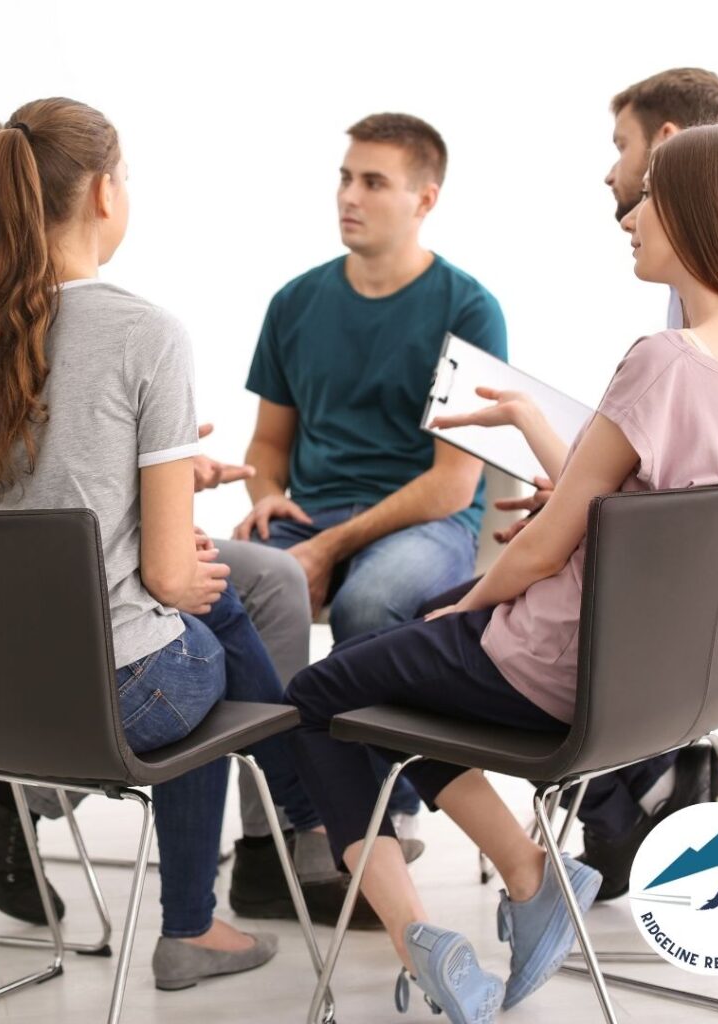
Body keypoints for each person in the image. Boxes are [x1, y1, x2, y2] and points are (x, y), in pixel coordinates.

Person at [284, 124, 718, 1023]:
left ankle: (448, 925)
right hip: (667, 678)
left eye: (650, 198)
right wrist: (532, 422)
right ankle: (531, 876)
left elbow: (542, 548)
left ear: (702, 215)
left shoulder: (664, 361)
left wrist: (469, 613)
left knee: (322, 695)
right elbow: (629, 504)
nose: (631, 214)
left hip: (558, 663)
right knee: (405, 665)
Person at [0, 97, 342, 990]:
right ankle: (283, 837)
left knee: (210, 602)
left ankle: (293, 826)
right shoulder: (147, 333)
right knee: (212, 630)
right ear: (106, 193)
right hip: (111, 700)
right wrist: (177, 570)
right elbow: (163, 573)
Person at [483, 67, 718, 900]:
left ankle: (570, 838)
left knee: (450, 618)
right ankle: (614, 810)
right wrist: (586, 497)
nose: (612, 173)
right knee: (502, 588)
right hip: (712, 575)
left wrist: (598, 513)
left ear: (673, 150)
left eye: (623, 148)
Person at [235, 112, 507, 830]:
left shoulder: (468, 309)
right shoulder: (294, 303)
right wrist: (265, 496)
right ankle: (280, 824)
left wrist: (326, 549)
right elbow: (267, 447)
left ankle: (389, 806)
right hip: (310, 510)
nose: (349, 196)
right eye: (346, 178)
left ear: (425, 200)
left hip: (425, 519)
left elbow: (453, 483)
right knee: (219, 594)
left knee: (370, 604)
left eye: (374, 182)